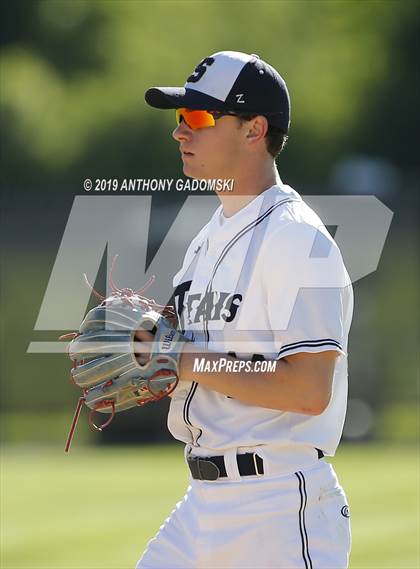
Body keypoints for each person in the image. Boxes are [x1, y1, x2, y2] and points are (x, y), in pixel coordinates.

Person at [136, 50, 353, 569]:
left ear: (255, 129)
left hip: (276, 506)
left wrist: (184, 360)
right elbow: (181, 350)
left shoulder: (296, 237)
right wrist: (144, 351)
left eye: (198, 117)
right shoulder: (206, 241)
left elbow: (307, 390)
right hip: (202, 505)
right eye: (180, 118)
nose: (180, 132)